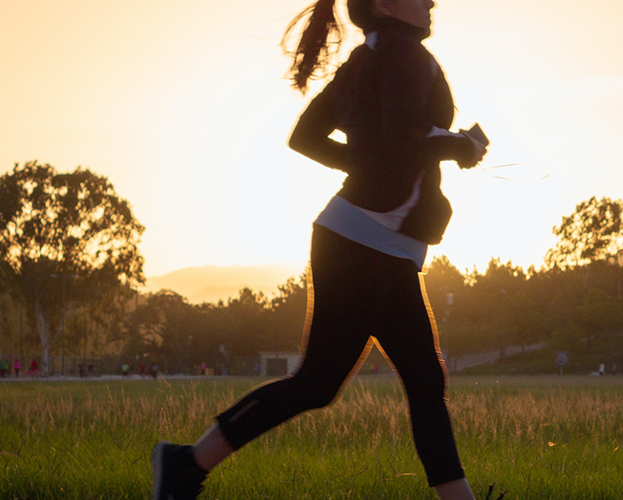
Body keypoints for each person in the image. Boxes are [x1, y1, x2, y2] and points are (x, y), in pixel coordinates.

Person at [151, 0, 486, 499]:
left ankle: (187, 465)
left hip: (377, 244)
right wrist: (460, 145)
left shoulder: (370, 56)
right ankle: (184, 463)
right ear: (386, 3)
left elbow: (306, 137)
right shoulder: (403, 51)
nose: (432, 1)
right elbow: (403, 133)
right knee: (320, 382)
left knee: (422, 379)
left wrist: (369, 163)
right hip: (361, 244)